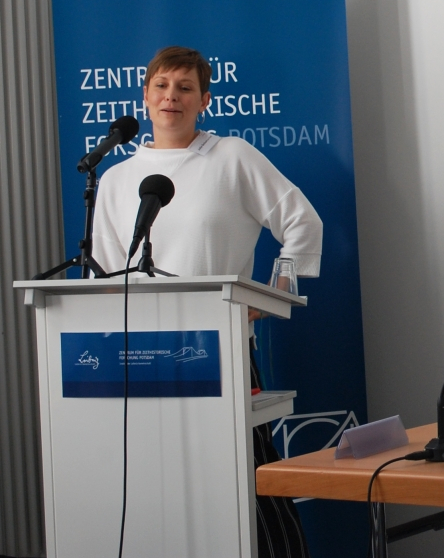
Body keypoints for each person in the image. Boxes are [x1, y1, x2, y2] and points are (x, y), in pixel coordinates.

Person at [92, 46, 322, 558]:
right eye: (161, 86)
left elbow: (302, 221)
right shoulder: (115, 180)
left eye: (185, 87)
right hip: (141, 359)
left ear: (204, 100)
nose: (171, 96)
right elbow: (106, 276)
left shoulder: (231, 157)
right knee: (161, 488)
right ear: (145, 96)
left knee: (245, 478)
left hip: (218, 350)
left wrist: (276, 291)